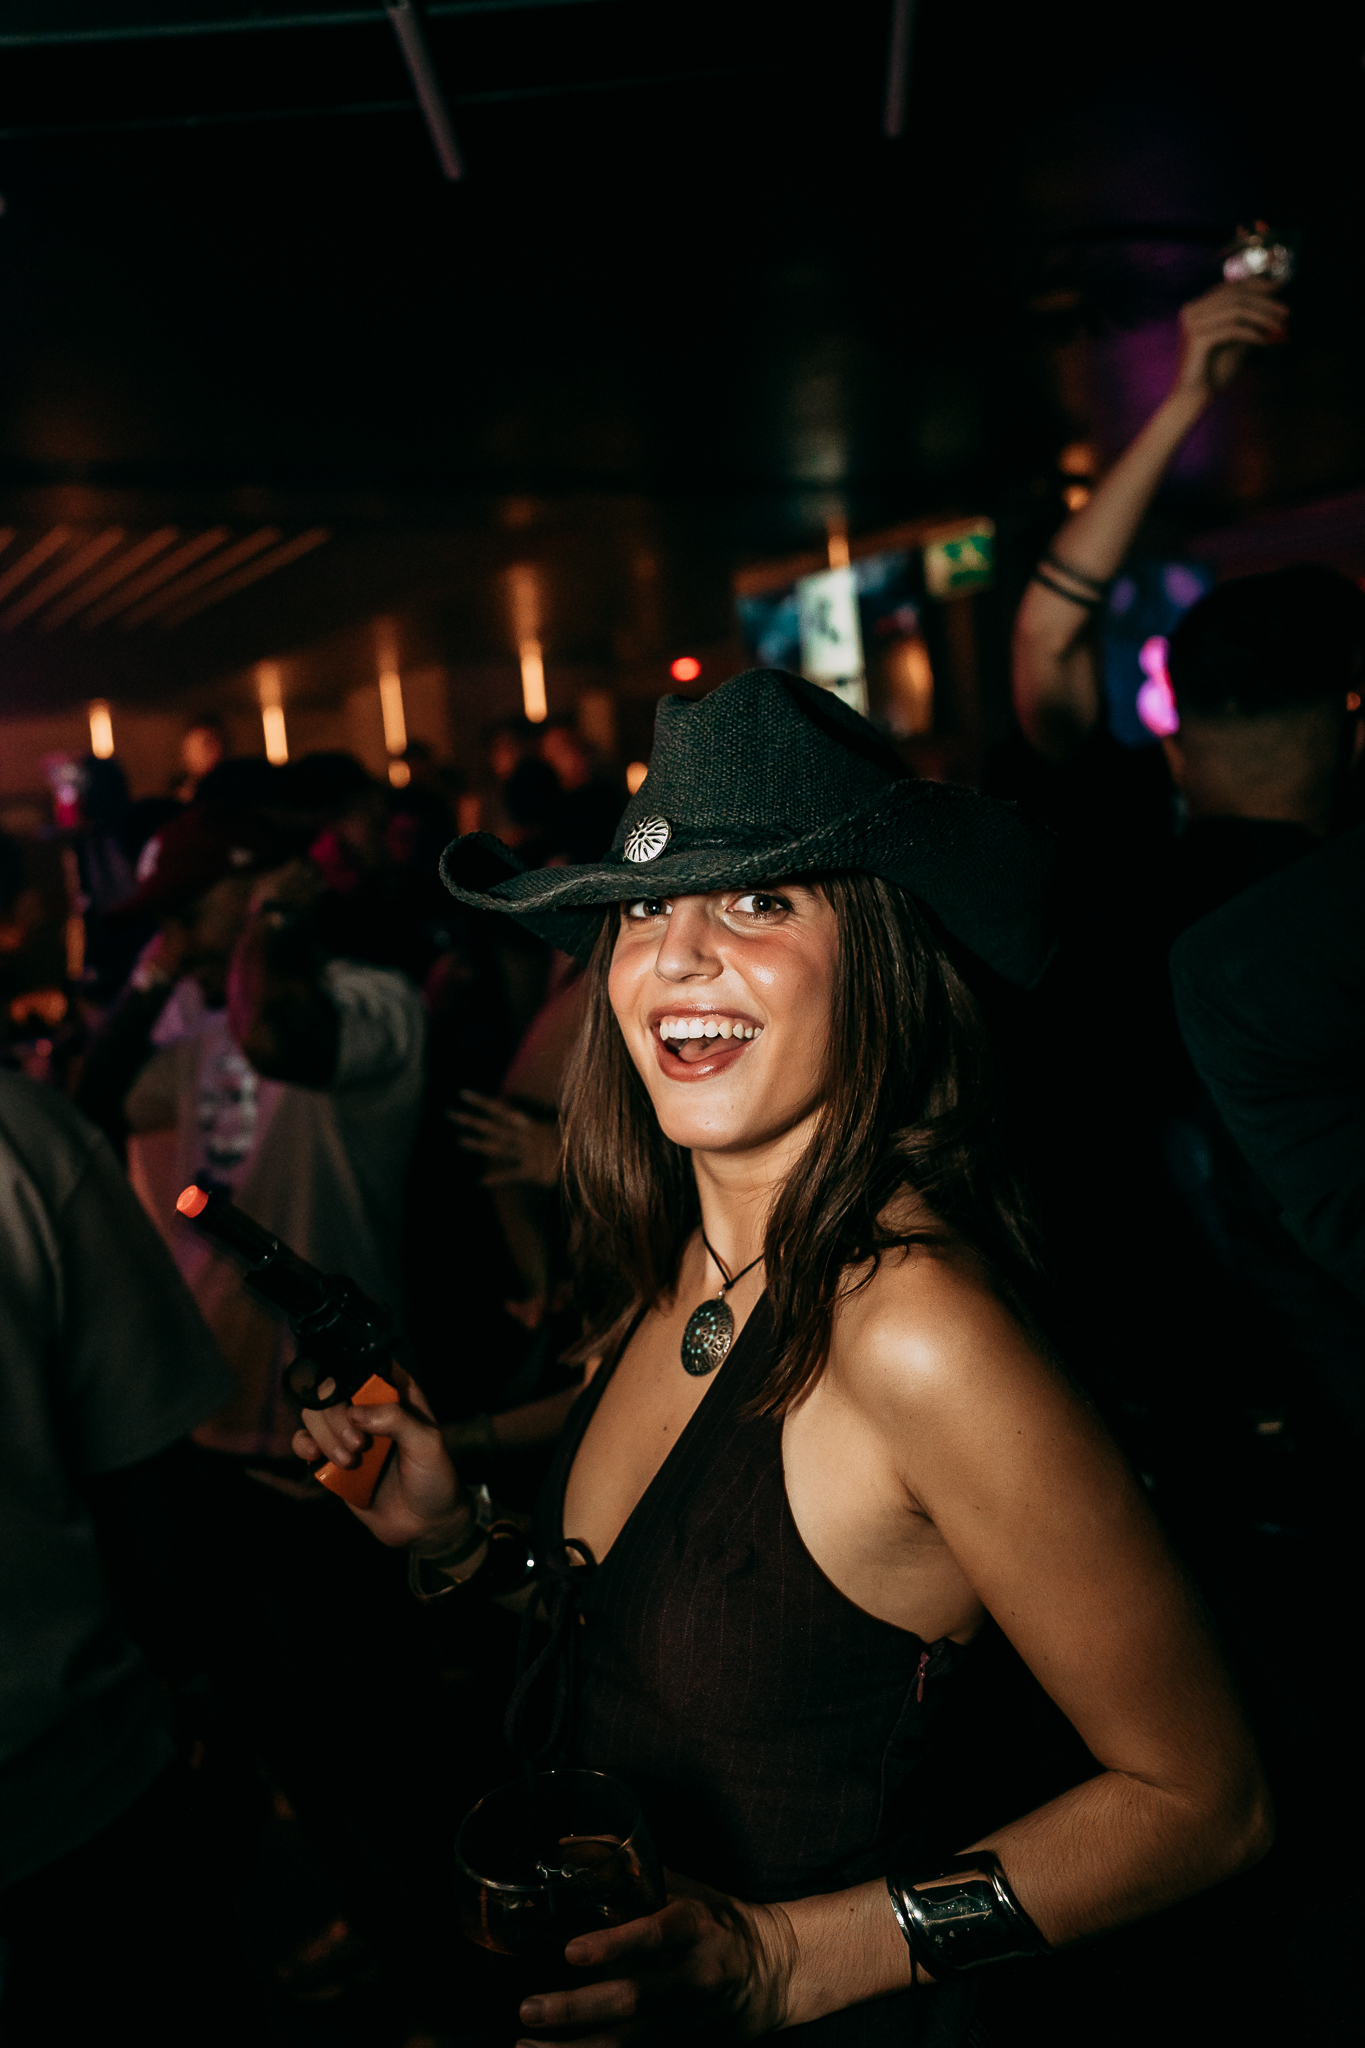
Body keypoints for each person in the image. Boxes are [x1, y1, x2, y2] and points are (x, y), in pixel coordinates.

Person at [296, 670, 1271, 2045]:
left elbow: (1206, 1801)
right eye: (644, 907)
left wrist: (786, 1960)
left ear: (873, 954)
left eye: (759, 900)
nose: (678, 954)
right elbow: (657, 1643)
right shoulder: (687, 1265)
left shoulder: (918, 1332)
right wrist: (459, 1538)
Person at [0, 1068, 250, 2044]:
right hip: (73, 1782)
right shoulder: (23, 1134)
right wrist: (199, 1688)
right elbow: (145, 1477)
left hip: (73, 1793)